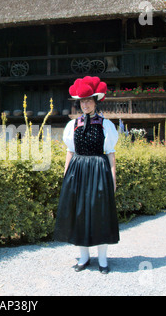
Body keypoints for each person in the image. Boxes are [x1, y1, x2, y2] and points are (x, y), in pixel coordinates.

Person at [54, 76, 120, 274]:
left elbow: (110, 154)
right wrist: (66, 176)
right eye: (82, 101)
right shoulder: (72, 125)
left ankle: (102, 260)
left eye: (89, 101)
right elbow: (70, 152)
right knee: (79, 213)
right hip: (78, 171)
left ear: (95, 102)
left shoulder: (105, 125)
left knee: (100, 214)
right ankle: (84, 258)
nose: (85, 104)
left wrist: (113, 178)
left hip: (99, 171)